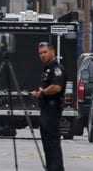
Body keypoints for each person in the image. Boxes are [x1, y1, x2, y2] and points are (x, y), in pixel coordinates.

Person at [32, 42, 65, 171]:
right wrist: (39, 92)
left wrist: (43, 92)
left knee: (53, 144)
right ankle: (51, 167)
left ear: (53, 52)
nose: (42, 55)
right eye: (40, 53)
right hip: (45, 110)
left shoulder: (57, 68)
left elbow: (56, 87)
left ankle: (56, 168)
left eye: (45, 52)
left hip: (53, 111)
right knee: (47, 144)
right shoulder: (47, 69)